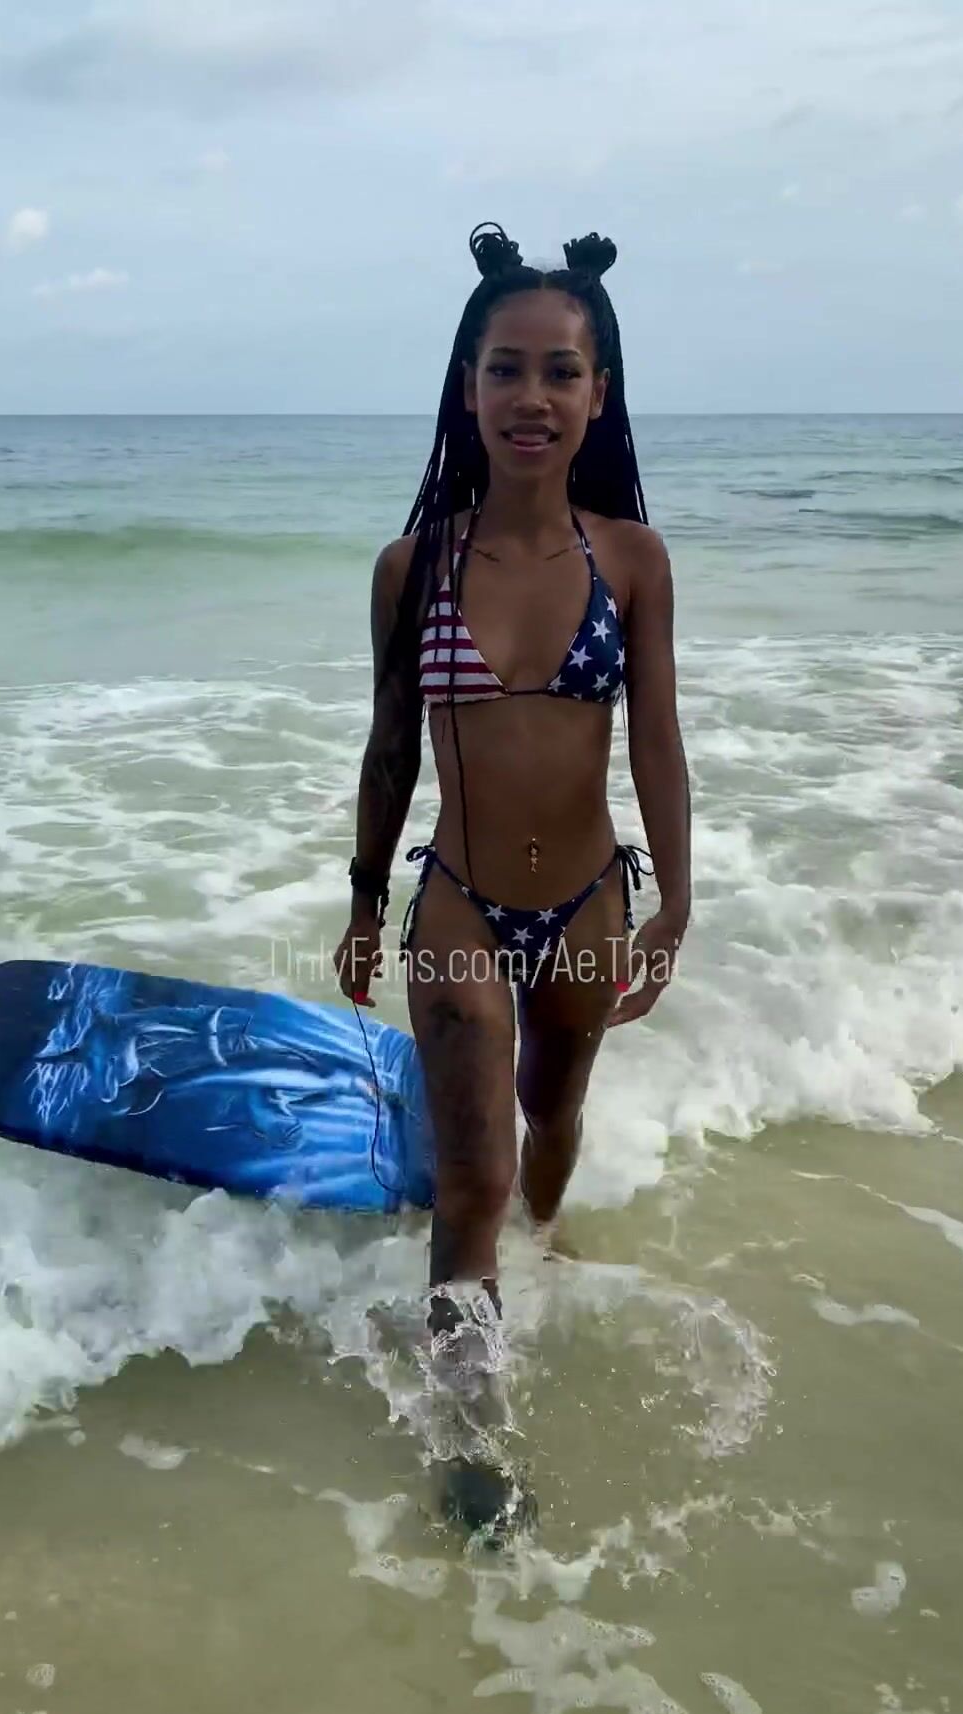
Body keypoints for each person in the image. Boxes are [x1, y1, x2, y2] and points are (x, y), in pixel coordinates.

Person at [334, 221, 690, 1353]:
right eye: (505, 369)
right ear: (468, 386)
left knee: (553, 1116)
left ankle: (544, 1235)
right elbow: (392, 748)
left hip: (588, 904)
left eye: (560, 372)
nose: (531, 397)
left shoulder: (631, 559)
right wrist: (365, 903)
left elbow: (657, 742)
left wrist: (674, 908)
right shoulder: (413, 568)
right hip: (460, 905)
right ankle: (466, 1425)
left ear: (598, 393)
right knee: (471, 1183)